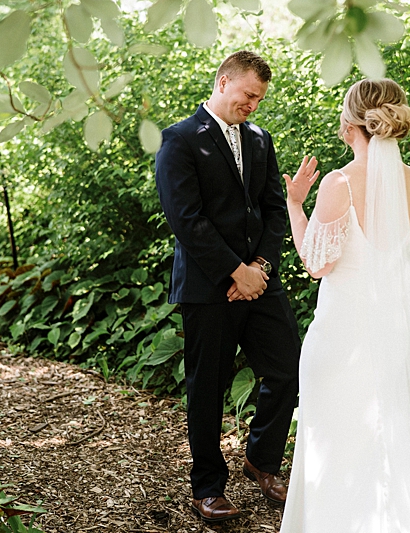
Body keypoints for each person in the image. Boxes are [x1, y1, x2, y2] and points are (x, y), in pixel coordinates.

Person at [280, 78, 410, 532]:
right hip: (393, 335)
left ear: (349, 125)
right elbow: (402, 249)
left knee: (337, 444)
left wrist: (294, 204)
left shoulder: (338, 183)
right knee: (391, 442)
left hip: (341, 337)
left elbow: (317, 264)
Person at [155, 51, 303, 523]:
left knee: (288, 370)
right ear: (223, 82)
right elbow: (186, 219)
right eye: (248, 95)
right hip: (208, 286)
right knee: (208, 387)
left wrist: (258, 266)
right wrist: (232, 272)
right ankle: (208, 488)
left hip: (260, 283)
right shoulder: (179, 139)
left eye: (260, 98)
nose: (254, 105)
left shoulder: (260, 139)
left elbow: (274, 208)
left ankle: (262, 460)